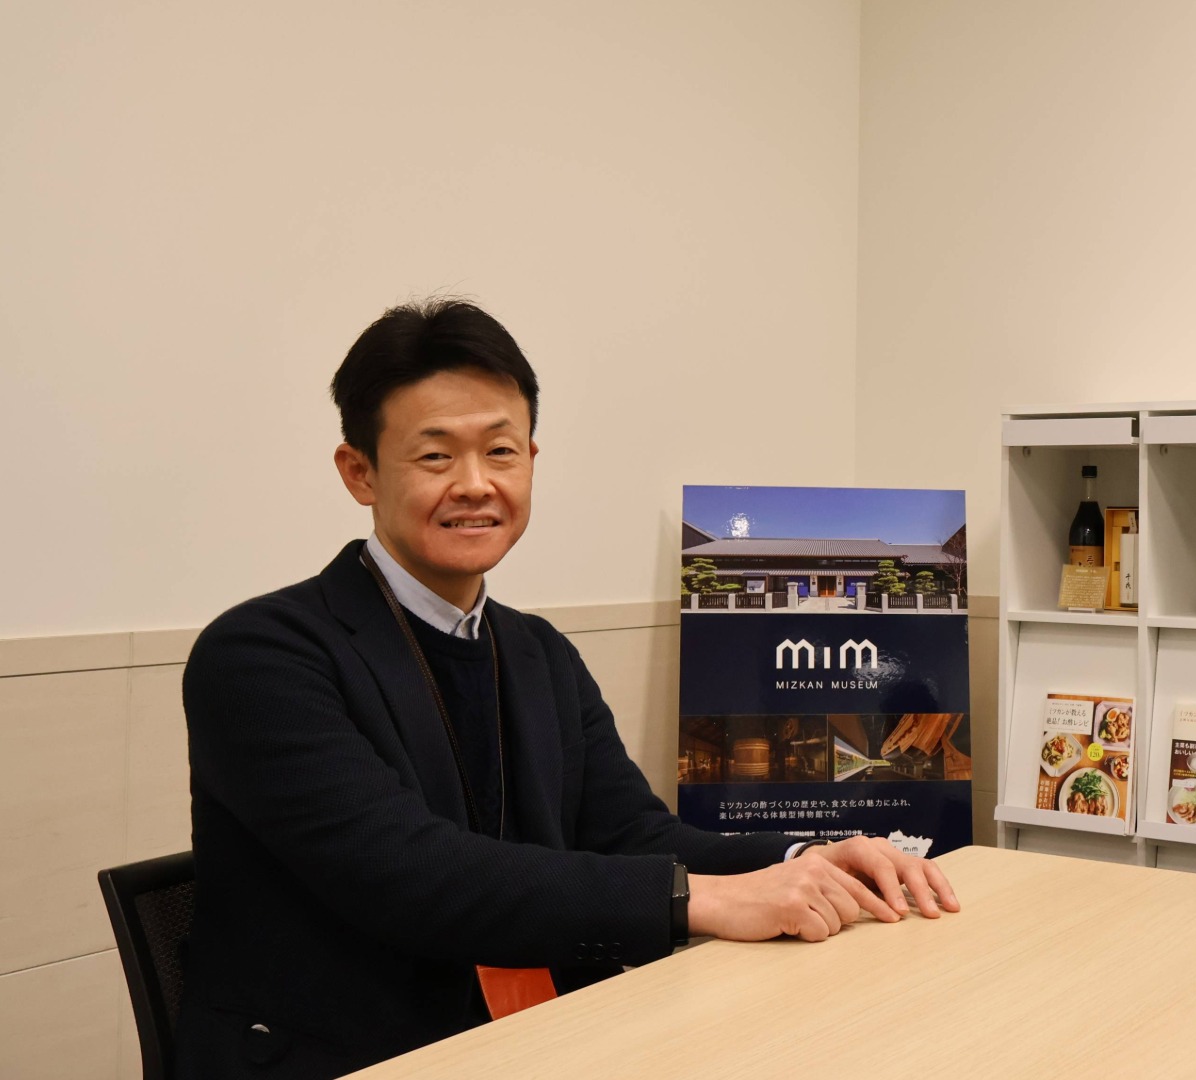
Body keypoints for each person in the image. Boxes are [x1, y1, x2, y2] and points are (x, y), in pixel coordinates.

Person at [177, 299, 960, 1078]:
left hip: (547, 1036)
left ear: (530, 459)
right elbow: (407, 873)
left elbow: (632, 834)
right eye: (435, 456)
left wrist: (807, 857)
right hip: (352, 1053)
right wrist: (698, 901)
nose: (475, 485)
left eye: (501, 452)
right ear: (360, 472)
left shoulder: (536, 651)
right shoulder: (259, 656)